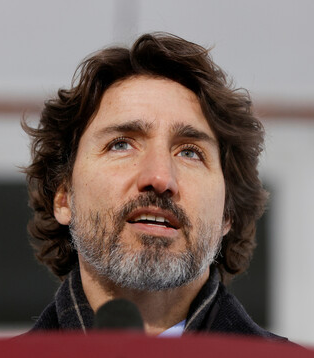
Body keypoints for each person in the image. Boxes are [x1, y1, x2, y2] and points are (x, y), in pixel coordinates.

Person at [22, 32, 286, 341]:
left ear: (227, 212)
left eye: (190, 153)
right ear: (64, 197)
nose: (160, 178)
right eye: (121, 145)